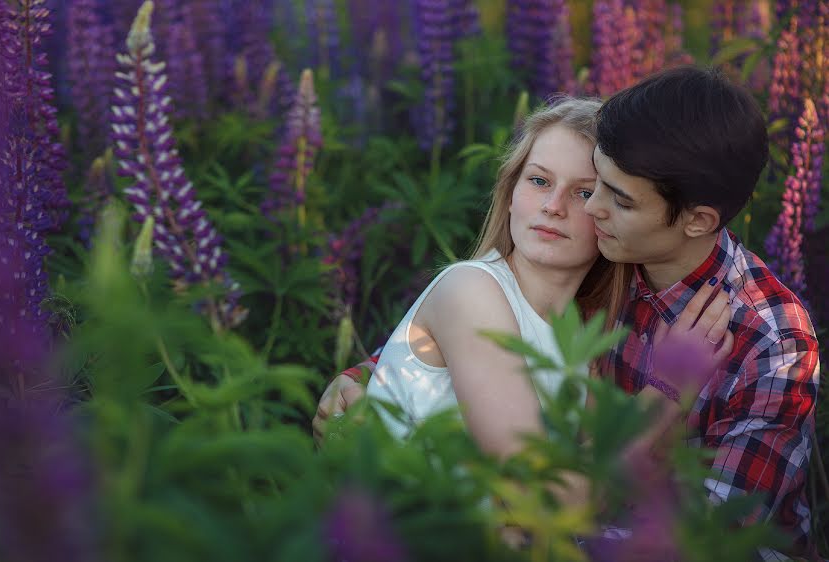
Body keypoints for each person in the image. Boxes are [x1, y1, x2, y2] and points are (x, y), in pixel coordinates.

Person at [313, 66, 821, 560]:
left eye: (604, 194)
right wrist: (363, 379)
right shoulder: (592, 273)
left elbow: (710, 537)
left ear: (696, 221)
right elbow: (444, 350)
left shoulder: (769, 339)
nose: (587, 207)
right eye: (584, 185)